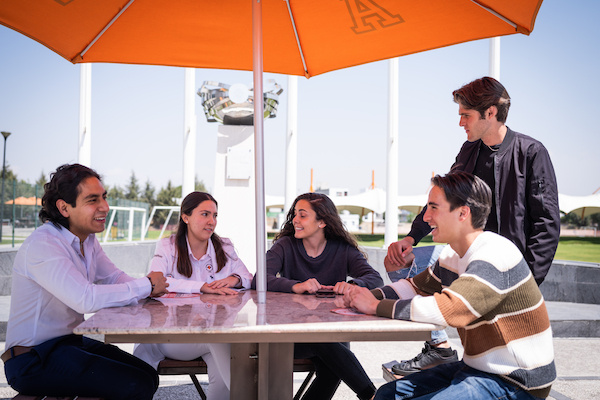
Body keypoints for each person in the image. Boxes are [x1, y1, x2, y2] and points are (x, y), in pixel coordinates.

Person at [386, 76, 560, 375]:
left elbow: (546, 224)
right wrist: (412, 238)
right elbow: (444, 197)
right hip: (469, 257)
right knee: (398, 262)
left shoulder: (531, 152)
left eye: (466, 115)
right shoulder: (469, 151)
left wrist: (526, 281)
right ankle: (439, 347)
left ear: (490, 113)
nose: (460, 123)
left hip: (505, 268)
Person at [346, 171, 556, 400]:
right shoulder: (451, 255)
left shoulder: (495, 254)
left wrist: (375, 306)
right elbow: (415, 288)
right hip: (478, 369)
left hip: (516, 381)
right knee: (388, 394)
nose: (426, 217)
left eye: (434, 207)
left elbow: (450, 309)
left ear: (463, 213)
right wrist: (363, 296)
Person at [3, 163, 168, 399]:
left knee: (148, 375)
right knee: (134, 384)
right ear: (64, 208)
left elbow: (113, 276)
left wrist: (150, 290)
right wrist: (146, 285)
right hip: (32, 358)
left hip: (68, 345)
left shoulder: (87, 239)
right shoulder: (44, 244)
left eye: (104, 197)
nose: (104, 207)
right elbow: (85, 299)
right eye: (92, 200)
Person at [252, 192, 382, 400]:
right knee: (327, 345)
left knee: (331, 369)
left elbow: (374, 278)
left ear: (322, 221)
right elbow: (259, 279)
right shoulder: (285, 246)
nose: (295, 219)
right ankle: (371, 395)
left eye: (302, 215)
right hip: (291, 337)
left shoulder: (343, 249)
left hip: (334, 336)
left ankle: (372, 396)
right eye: (295, 214)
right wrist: (296, 286)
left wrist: (352, 285)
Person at [134, 191, 253, 400]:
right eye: (205, 214)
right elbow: (157, 281)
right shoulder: (168, 245)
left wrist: (234, 279)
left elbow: (248, 277)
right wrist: (202, 286)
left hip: (211, 335)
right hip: (172, 336)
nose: (212, 221)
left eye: (215, 215)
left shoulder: (223, 246)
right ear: (185, 216)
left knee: (220, 352)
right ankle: (248, 396)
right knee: (219, 340)